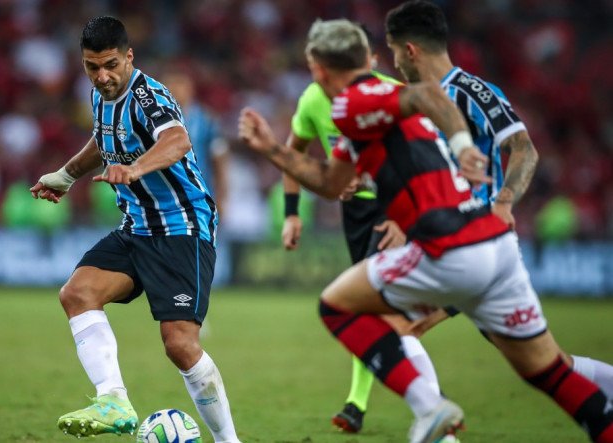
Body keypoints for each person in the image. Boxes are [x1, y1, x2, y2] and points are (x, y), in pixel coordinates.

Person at [239, 18, 613, 443]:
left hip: (449, 248)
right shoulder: (368, 107)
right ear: (368, 57)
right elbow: (330, 182)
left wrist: (463, 146)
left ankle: (429, 407)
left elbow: (428, 94)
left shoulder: (354, 103)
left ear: (318, 70)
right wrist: (272, 149)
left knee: (338, 306)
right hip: (495, 244)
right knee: (549, 372)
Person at [385, 0, 613, 399]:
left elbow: (524, 149)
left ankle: (440, 427)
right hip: (453, 245)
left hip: (478, 244)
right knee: (546, 365)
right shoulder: (414, 101)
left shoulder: (471, 91)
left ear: (410, 50)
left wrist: (504, 201)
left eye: (392, 50)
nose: (393, 62)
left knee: (396, 326)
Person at [30, 17, 240, 442]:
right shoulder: (99, 95)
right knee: (78, 293)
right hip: (137, 228)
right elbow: (102, 139)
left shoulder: (149, 95)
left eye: (110, 65)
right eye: (92, 67)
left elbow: (178, 140)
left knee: (179, 344)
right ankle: (114, 400)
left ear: (129, 56)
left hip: (183, 226)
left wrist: (136, 167)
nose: (103, 76)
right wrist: (66, 175)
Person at [282, 24, 454, 434]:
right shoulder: (313, 101)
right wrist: (292, 212)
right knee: (379, 311)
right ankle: (429, 411)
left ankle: (391, 407)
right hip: (355, 216)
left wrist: (401, 217)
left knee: (380, 312)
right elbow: (295, 154)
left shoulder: (391, 94)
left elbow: (425, 155)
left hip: (395, 210)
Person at [162, 71, 229, 215]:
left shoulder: (206, 120)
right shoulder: (153, 119)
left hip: (199, 196)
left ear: (190, 89)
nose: (174, 88)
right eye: (170, 84)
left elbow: (219, 159)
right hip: (165, 197)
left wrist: (222, 197)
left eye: (179, 84)